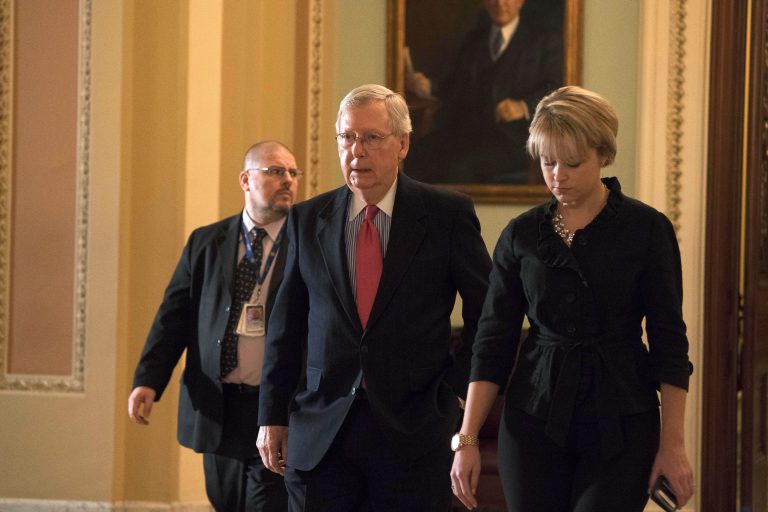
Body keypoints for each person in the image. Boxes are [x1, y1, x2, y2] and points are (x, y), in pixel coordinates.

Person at [450, 86, 695, 511]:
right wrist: (467, 440)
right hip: (532, 421)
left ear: (603, 155)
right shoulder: (521, 234)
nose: (557, 175)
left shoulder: (647, 229)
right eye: (547, 162)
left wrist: (673, 445)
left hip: (622, 419)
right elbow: (491, 344)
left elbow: (670, 343)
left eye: (572, 163)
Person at [256, 84, 492, 511]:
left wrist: (455, 394)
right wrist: (271, 415)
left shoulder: (446, 214)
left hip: (414, 432)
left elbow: (487, 316)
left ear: (403, 144)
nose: (356, 151)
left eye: (371, 137)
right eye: (347, 137)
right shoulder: (308, 218)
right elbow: (285, 325)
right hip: (322, 431)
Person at [128, 141, 300, 512]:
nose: (288, 179)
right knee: (226, 501)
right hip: (218, 405)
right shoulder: (206, 242)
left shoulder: (306, 243)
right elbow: (173, 316)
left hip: (277, 406)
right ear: (245, 180)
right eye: (275, 171)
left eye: (292, 172)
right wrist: (148, 380)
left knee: (266, 503)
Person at [405, 0, 562, 184]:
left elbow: (556, 90)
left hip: (516, 139)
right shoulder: (474, 40)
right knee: (415, 154)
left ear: (520, 2)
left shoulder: (543, 41)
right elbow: (454, 87)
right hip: (469, 132)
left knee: (459, 166)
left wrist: (523, 106)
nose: (500, 3)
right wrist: (429, 86)